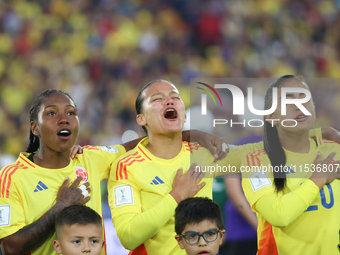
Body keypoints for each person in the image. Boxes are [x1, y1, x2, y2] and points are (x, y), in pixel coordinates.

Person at [0, 89, 225, 255]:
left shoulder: (90, 158)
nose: (63, 118)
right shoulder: (13, 176)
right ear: (34, 127)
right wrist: (61, 206)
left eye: (71, 112)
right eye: (51, 113)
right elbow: (10, 247)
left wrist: (192, 133)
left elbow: (147, 141)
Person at [241, 75, 340, 255]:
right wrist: (317, 179)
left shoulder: (334, 149)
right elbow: (279, 215)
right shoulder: (256, 162)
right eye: (288, 100)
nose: (298, 105)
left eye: (304, 98)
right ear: (271, 116)